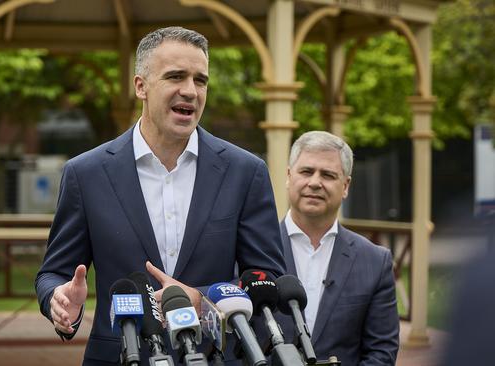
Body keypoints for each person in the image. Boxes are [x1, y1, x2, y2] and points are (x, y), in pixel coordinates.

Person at [35, 26, 285, 364]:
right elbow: (53, 273)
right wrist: (59, 300)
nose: (191, 91)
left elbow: (267, 280)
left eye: (200, 80)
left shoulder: (245, 172)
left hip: (214, 356)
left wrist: (203, 300)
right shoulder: (86, 173)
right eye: (176, 77)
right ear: (141, 86)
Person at [274, 131, 399, 365]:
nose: (315, 182)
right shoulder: (252, 248)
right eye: (306, 171)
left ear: (345, 185)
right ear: (289, 176)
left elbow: (381, 353)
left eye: (328, 175)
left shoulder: (375, 262)